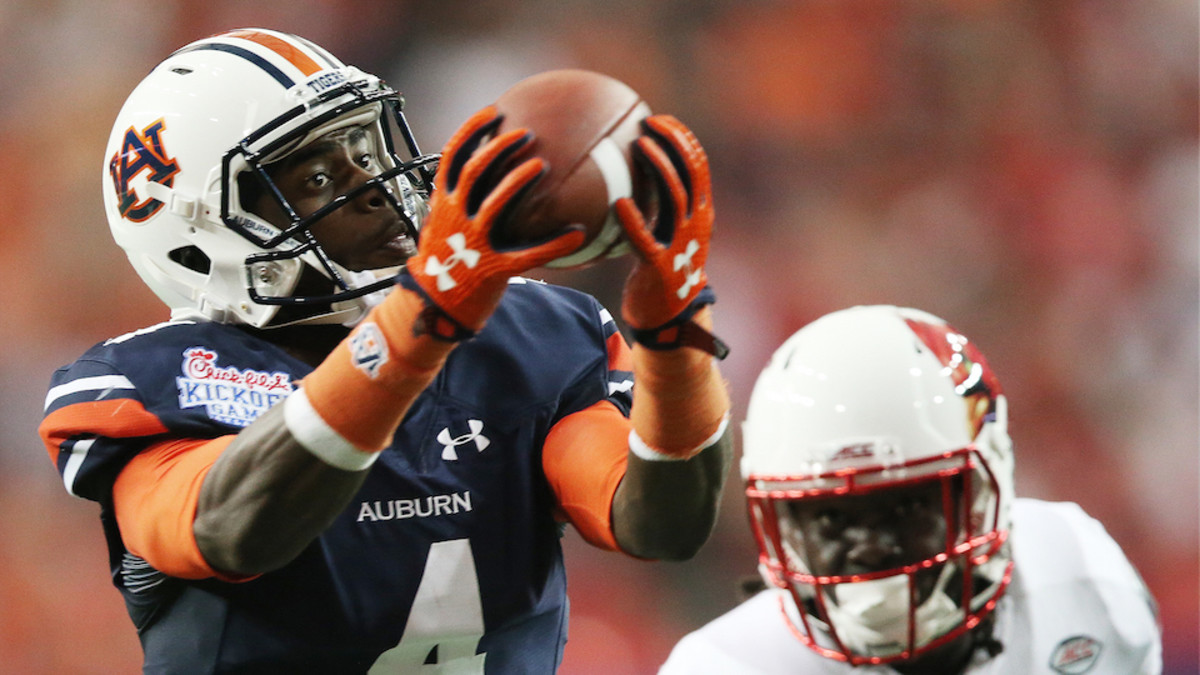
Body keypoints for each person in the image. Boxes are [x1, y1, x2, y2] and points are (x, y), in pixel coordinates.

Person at [39, 28, 733, 673]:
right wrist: (419, 325)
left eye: (365, 152)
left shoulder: (527, 334)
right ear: (201, 237)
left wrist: (674, 345)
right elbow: (232, 528)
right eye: (316, 179)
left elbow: (658, 521)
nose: (374, 188)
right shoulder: (155, 380)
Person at [659, 305, 1162, 675]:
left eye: (903, 506)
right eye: (830, 516)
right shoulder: (727, 667)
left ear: (985, 493)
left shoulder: (1080, 583)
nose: (869, 546)